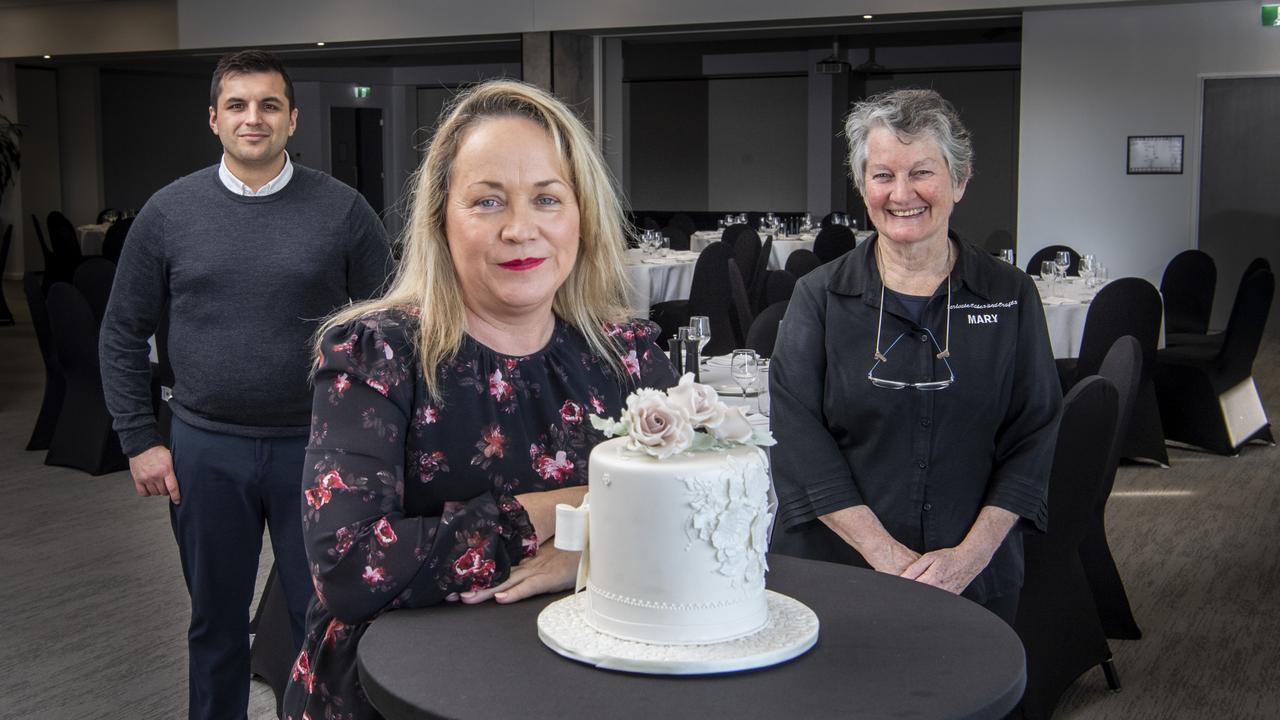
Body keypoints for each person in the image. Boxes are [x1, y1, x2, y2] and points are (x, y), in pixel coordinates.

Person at [281, 80, 678, 719]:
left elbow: (708, 516)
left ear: (582, 215)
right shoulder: (374, 354)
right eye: (487, 201)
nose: (520, 229)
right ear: (440, 218)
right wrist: (570, 509)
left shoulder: (627, 353)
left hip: (590, 681)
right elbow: (352, 567)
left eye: (547, 199)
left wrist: (584, 551)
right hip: (403, 690)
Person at [99, 49, 392, 719]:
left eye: (267, 105)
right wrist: (140, 439)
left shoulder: (343, 211)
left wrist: (377, 443)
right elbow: (121, 332)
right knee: (215, 624)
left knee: (323, 621)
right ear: (214, 119)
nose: (252, 118)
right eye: (237, 104)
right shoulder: (168, 213)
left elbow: (389, 331)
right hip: (205, 449)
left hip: (317, 450)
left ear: (291, 119)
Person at [768, 88, 1061, 624]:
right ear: (863, 186)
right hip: (834, 570)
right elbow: (796, 437)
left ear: (960, 180)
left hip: (973, 577)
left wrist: (967, 559)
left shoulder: (1011, 294)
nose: (902, 194)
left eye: (922, 172)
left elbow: (1033, 436)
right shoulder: (819, 296)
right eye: (883, 175)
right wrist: (884, 555)